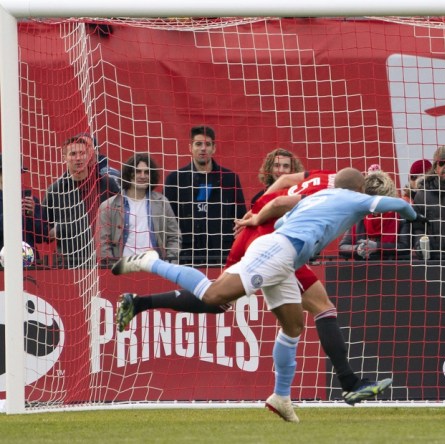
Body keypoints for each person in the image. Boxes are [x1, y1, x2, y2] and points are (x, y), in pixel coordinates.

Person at [111, 167, 426, 423]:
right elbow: (397, 205)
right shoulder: (353, 199)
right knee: (213, 295)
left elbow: (283, 206)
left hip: (280, 252)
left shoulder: (318, 193)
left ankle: (281, 396)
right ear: (359, 189)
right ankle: (151, 261)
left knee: (292, 327)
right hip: (277, 251)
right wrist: (415, 216)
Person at [164, 125, 246, 265]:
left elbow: (240, 218)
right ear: (190, 147)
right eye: (198, 144)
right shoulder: (175, 179)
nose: (203, 148)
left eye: (207, 144)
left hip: (223, 254)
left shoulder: (229, 178)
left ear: (214, 148)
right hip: (186, 256)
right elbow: (166, 221)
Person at [44, 135, 120, 266]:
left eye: (82, 153)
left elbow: (122, 217)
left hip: (105, 261)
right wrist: (62, 229)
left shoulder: (107, 184)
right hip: (69, 262)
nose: (78, 158)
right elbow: (44, 230)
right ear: (64, 158)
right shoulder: (55, 190)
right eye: (73, 154)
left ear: (89, 155)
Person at [97, 153, 181, 262]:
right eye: (138, 171)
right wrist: (113, 270)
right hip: (123, 271)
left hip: (156, 270)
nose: (142, 176)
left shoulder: (162, 203)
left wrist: (169, 263)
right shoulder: (108, 206)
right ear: (128, 174)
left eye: (147, 172)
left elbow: (174, 236)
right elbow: (102, 243)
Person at [339, 171, 401, 260]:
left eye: (378, 202)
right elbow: (342, 247)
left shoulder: (399, 215)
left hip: (394, 269)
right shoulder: (359, 216)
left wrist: (377, 247)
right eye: (370, 202)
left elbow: (405, 247)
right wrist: (358, 249)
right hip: (363, 269)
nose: (374, 206)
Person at [0, 154, 49, 260]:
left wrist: (32, 216)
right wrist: (11, 213)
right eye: (9, 173)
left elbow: (42, 237)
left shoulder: (31, 201)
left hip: (28, 261)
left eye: (17, 173)